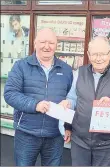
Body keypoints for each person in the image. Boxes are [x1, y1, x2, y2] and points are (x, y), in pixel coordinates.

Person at [59, 36, 110, 166]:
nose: (98, 58)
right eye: (95, 54)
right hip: (80, 141)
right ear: (89, 55)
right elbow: (72, 98)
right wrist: (67, 104)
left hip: (107, 144)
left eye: (102, 54)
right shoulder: (80, 72)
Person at [4, 28, 73, 166]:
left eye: (51, 43)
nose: (47, 46)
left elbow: (72, 98)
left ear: (56, 45)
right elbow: (10, 94)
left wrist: (68, 127)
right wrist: (35, 105)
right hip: (26, 133)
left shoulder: (66, 69)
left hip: (55, 135)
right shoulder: (21, 66)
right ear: (35, 43)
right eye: (43, 42)